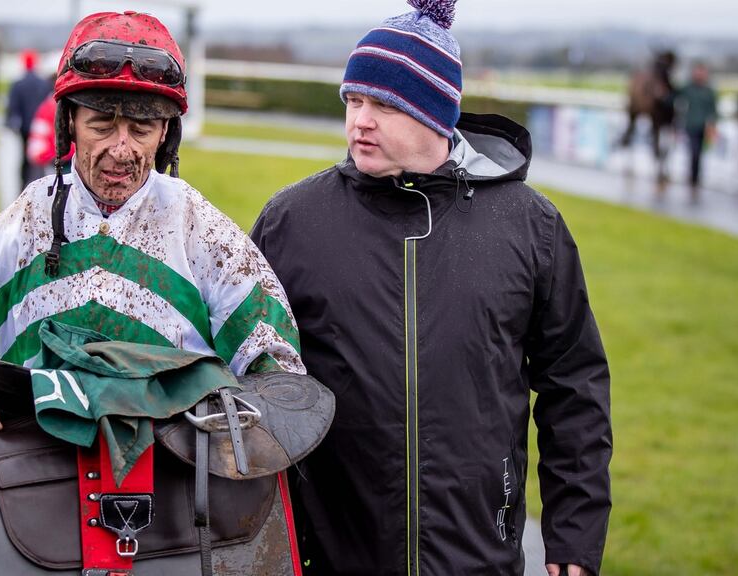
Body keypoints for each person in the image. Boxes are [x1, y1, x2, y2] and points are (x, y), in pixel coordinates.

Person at [250, 1, 612, 575]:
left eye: (383, 105)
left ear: (435, 114)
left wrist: (574, 538)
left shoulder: (530, 225)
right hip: (332, 559)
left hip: (478, 556)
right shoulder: (291, 222)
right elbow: (247, 388)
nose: (358, 121)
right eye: (353, 100)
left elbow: (575, 388)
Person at [0, 10, 304, 455]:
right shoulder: (18, 226)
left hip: (172, 503)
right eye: (102, 125)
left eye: (141, 129)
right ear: (69, 122)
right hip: (33, 487)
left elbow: (282, 376)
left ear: (166, 134)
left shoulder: (207, 235)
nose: (121, 149)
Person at [5, 49, 52, 187]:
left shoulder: (18, 84)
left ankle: (24, 184)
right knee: (42, 157)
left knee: (26, 158)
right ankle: (40, 183)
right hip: (41, 126)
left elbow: (12, 107)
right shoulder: (43, 83)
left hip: (24, 127)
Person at [678, 62, 718, 199]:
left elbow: (713, 110)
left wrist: (712, 125)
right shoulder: (688, 88)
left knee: (699, 154)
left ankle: (696, 178)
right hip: (690, 126)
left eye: (702, 72)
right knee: (693, 152)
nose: (699, 74)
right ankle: (692, 178)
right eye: (697, 72)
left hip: (704, 128)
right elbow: (674, 96)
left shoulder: (709, 91)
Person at [26, 91, 75, 179]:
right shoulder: (75, 104)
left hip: (56, 160)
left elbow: (38, 138)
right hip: (68, 159)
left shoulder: (46, 107)